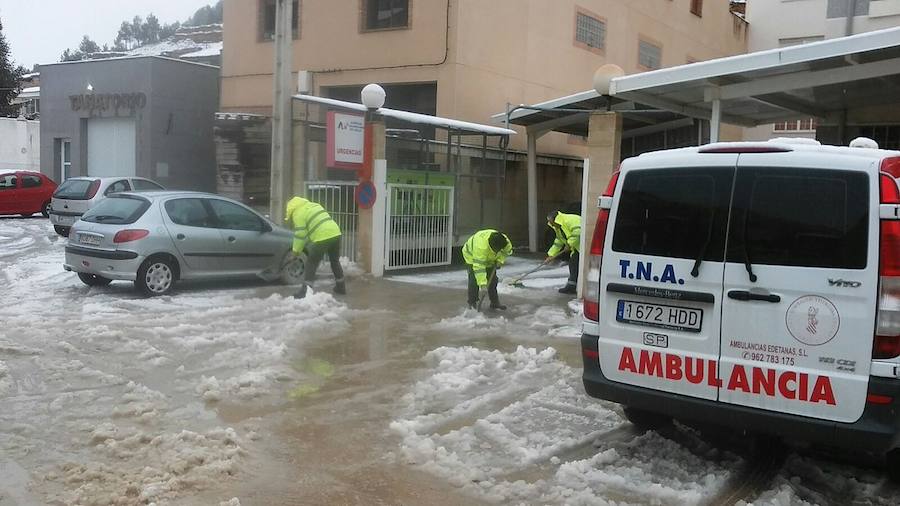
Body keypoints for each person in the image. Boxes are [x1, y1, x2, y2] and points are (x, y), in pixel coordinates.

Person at [285, 196, 345, 299]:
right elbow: (315, 226)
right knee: (335, 261)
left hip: (322, 237)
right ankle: (341, 287)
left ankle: (305, 291)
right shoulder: (314, 205)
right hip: (336, 233)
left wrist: (295, 252)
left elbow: (300, 235)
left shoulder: (298, 214)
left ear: (291, 209)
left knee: (311, 263)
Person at [462, 229, 512, 310]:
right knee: (474, 280)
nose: (498, 251)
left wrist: (500, 260)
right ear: (491, 246)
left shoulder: (505, 242)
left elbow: (507, 252)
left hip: (489, 258)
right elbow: (479, 268)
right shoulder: (481, 247)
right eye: (496, 250)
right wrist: (483, 285)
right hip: (472, 257)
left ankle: (494, 302)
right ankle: (472, 303)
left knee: (492, 280)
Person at [547, 210, 581, 294]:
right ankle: (572, 286)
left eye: (551, 222)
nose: (550, 224)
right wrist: (551, 255)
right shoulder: (558, 227)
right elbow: (558, 241)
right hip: (577, 247)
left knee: (574, 264)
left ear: (556, 219)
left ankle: (571, 286)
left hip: (585, 245)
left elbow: (577, 233)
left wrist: (569, 244)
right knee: (574, 264)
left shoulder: (570, 220)